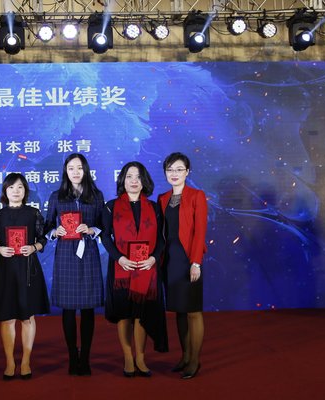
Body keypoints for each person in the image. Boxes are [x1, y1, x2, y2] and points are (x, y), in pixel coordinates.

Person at [102, 161, 168, 378]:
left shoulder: (154, 208)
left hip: (147, 269)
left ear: (144, 181)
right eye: (129, 176)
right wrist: (119, 258)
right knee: (125, 314)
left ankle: (140, 357)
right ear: (123, 180)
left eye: (138, 177)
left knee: (142, 314)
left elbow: (161, 239)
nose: (134, 181)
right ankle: (128, 357)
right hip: (122, 268)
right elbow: (105, 237)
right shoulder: (111, 206)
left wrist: (153, 259)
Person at [0, 173, 50, 380]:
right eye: (11, 187)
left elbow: (43, 239)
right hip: (5, 269)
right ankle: (10, 362)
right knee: (7, 318)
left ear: (25, 191)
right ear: (5, 191)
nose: (16, 191)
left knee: (27, 317)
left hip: (28, 269)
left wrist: (33, 247)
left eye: (20, 187)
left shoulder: (33, 213)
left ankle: (26, 361)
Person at [45, 153, 104, 376]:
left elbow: (103, 225)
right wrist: (55, 231)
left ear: (86, 170)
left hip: (88, 253)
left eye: (79, 168)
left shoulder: (96, 196)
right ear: (65, 171)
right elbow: (46, 226)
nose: (76, 172)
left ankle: (85, 358)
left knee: (88, 309)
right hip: (66, 255)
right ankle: (72, 356)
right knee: (68, 309)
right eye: (71, 168)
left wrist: (91, 229)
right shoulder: (57, 197)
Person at [158, 152, 207, 379]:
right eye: (170, 170)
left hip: (189, 260)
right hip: (170, 262)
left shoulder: (197, 196)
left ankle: (195, 360)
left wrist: (196, 262)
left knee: (193, 312)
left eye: (179, 169)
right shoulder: (162, 198)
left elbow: (200, 232)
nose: (174, 174)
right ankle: (185, 356)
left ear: (187, 172)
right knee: (179, 311)